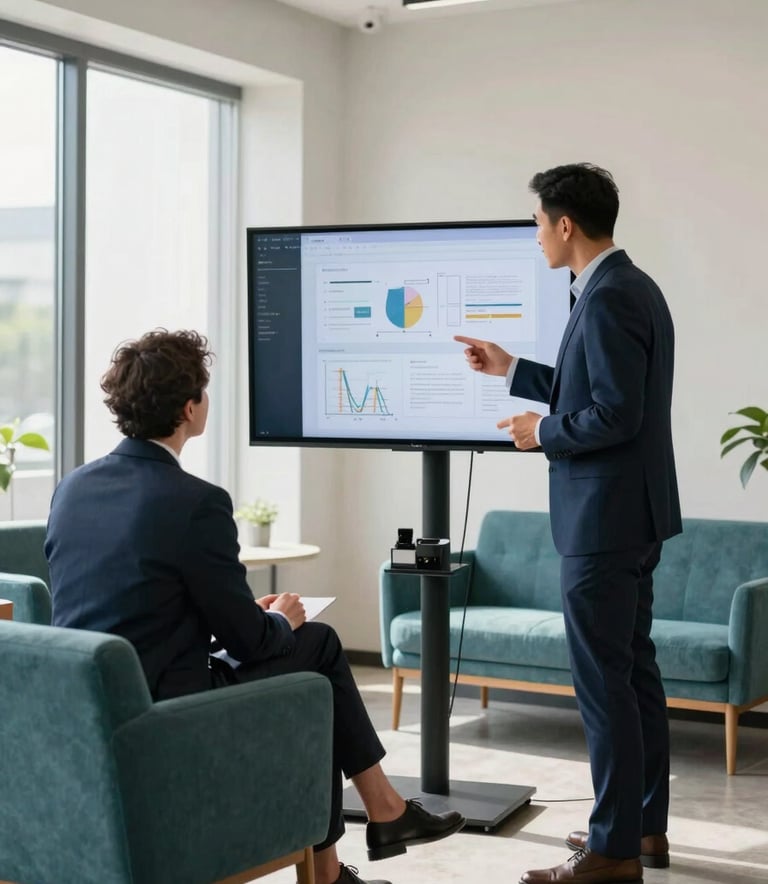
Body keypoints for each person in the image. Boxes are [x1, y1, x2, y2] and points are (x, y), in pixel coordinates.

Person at [45, 329, 465, 884]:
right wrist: (277, 618)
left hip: (89, 712)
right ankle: (378, 819)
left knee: (307, 661)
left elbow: (137, 606)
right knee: (316, 647)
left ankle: (353, 849)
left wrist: (247, 616)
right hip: (169, 719)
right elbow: (252, 643)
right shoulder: (195, 502)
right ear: (190, 406)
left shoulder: (72, 488)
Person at [455, 163, 681, 884]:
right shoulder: (625, 287)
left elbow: (615, 414)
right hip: (630, 515)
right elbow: (599, 388)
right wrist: (514, 368)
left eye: (536, 223)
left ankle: (612, 851)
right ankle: (642, 829)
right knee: (633, 675)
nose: (535, 237)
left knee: (604, 683)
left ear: (564, 224)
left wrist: (542, 430)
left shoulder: (612, 297)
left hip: (603, 521)